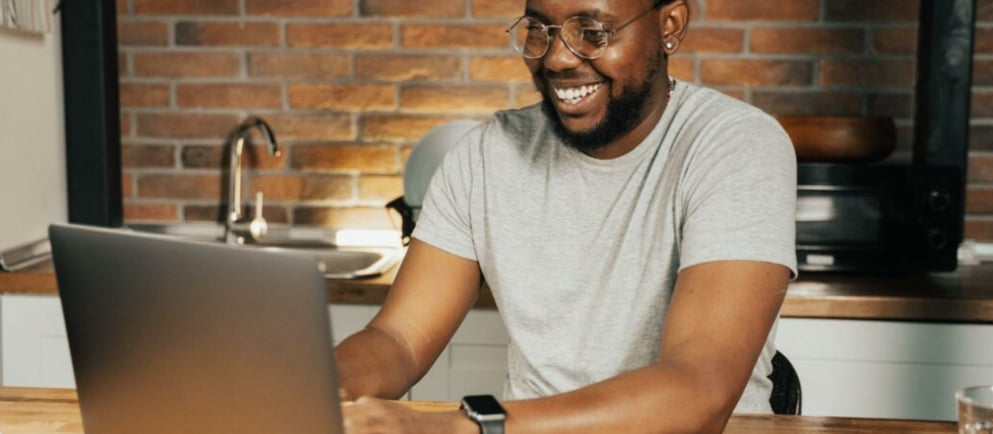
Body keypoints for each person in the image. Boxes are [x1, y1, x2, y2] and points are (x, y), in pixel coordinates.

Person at [335, 0, 796, 432]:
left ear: (670, 26)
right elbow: (398, 339)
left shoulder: (737, 145)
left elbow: (699, 390)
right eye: (539, 30)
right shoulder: (485, 156)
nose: (556, 59)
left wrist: (461, 426)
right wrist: (322, 386)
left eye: (592, 32)